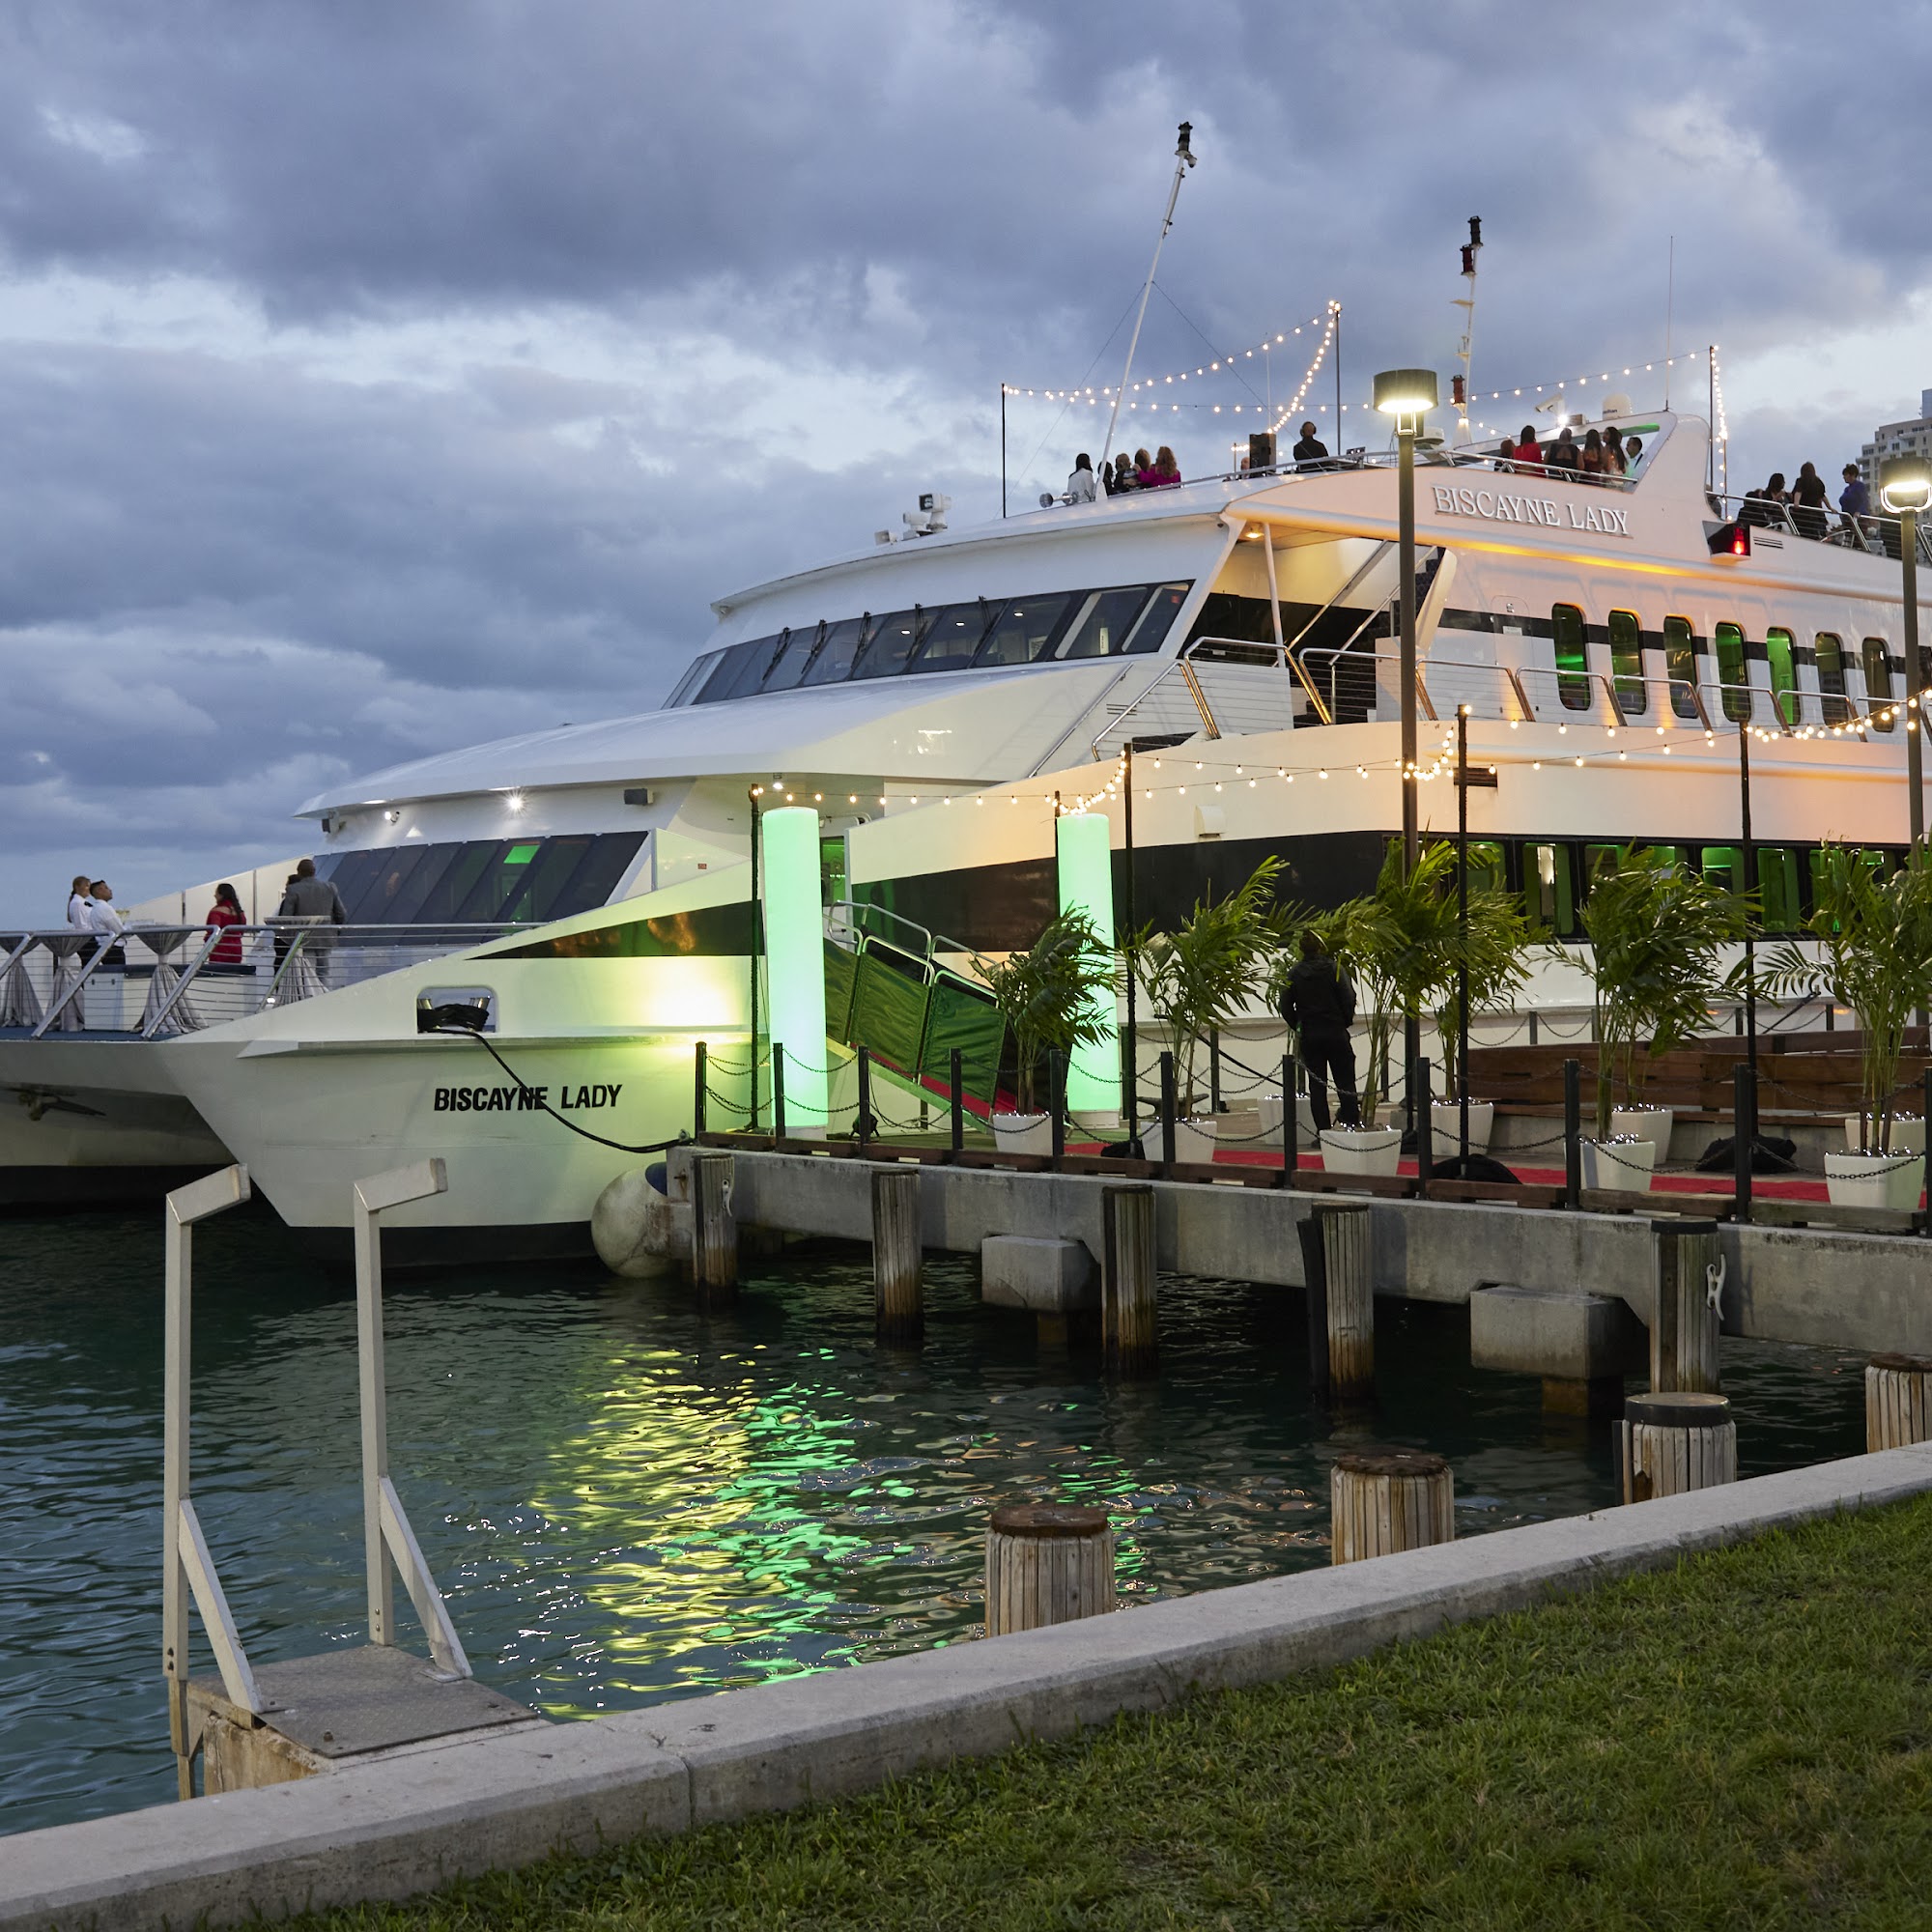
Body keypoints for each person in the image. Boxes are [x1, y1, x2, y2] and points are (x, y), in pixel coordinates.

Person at [1281, 931, 1359, 1140]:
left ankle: (1323, 1132)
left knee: (1317, 1086)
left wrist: (1298, 1024)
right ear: (1320, 947)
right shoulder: (1335, 969)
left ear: (1301, 949)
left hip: (1311, 1033)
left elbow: (1285, 1005)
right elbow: (1348, 997)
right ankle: (1351, 1127)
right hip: (1335, 1031)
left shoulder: (1294, 973)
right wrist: (1345, 1021)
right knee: (1345, 1080)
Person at [276, 858, 348, 980]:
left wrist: (289, 936)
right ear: (314, 871)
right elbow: (341, 913)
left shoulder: (293, 890)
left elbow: (285, 918)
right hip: (325, 937)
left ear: (299, 872)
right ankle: (324, 997)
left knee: (308, 975)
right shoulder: (330, 887)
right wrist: (335, 931)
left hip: (303, 939)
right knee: (324, 973)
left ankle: (310, 997)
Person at [85, 879, 127, 969]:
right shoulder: (105, 908)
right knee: (117, 975)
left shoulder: (95, 909)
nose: (110, 890)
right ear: (99, 891)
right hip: (113, 948)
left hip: (103, 947)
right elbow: (118, 929)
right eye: (106, 888)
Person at [204, 882, 247, 967]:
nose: (214, 895)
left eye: (216, 893)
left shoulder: (216, 912)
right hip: (236, 948)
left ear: (222, 895)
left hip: (220, 948)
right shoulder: (239, 912)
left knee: (218, 974)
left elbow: (213, 932)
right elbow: (242, 931)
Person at [1790, 461, 1830, 539]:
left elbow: (1798, 492)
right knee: (1815, 536)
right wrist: (1830, 508)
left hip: (1802, 514)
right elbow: (1823, 496)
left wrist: (1796, 503)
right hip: (1815, 514)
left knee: (1803, 535)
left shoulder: (1801, 481)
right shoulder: (1818, 482)